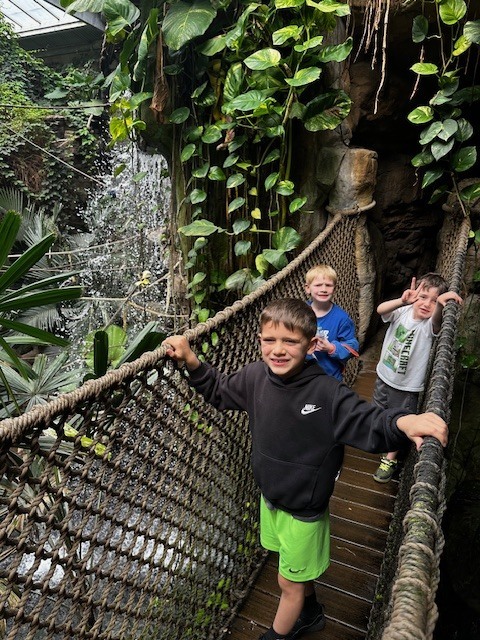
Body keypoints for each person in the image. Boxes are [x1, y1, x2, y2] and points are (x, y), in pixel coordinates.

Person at [163, 298, 448, 640]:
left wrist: (403, 420)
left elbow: (367, 420)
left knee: (288, 583)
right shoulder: (255, 377)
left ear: (312, 345)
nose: (278, 350)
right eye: (270, 340)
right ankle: (310, 613)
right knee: (287, 563)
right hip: (271, 498)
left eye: (290, 341)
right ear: (259, 341)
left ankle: (278, 635)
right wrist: (192, 360)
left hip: (304, 509)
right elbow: (221, 391)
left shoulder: (326, 393)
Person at [372, 273, 462, 483]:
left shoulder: (428, 326)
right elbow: (380, 310)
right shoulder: (402, 311)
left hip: (407, 387)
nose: (426, 304)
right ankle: (383, 439)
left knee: (401, 419)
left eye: (433, 300)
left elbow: (437, 320)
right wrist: (402, 301)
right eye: (422, 297)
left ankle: (390, 458)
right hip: (383, 376)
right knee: (378, 410)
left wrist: (440, 305)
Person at [304, 264, 359, 381]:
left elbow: (352, 346)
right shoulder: (299, 312)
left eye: (328, 285)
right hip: (302, 374)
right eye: (318, 285)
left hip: (329, 377)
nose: (323, 289)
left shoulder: (342, 318)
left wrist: (331, 347)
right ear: (308, 288)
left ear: (334, 289)